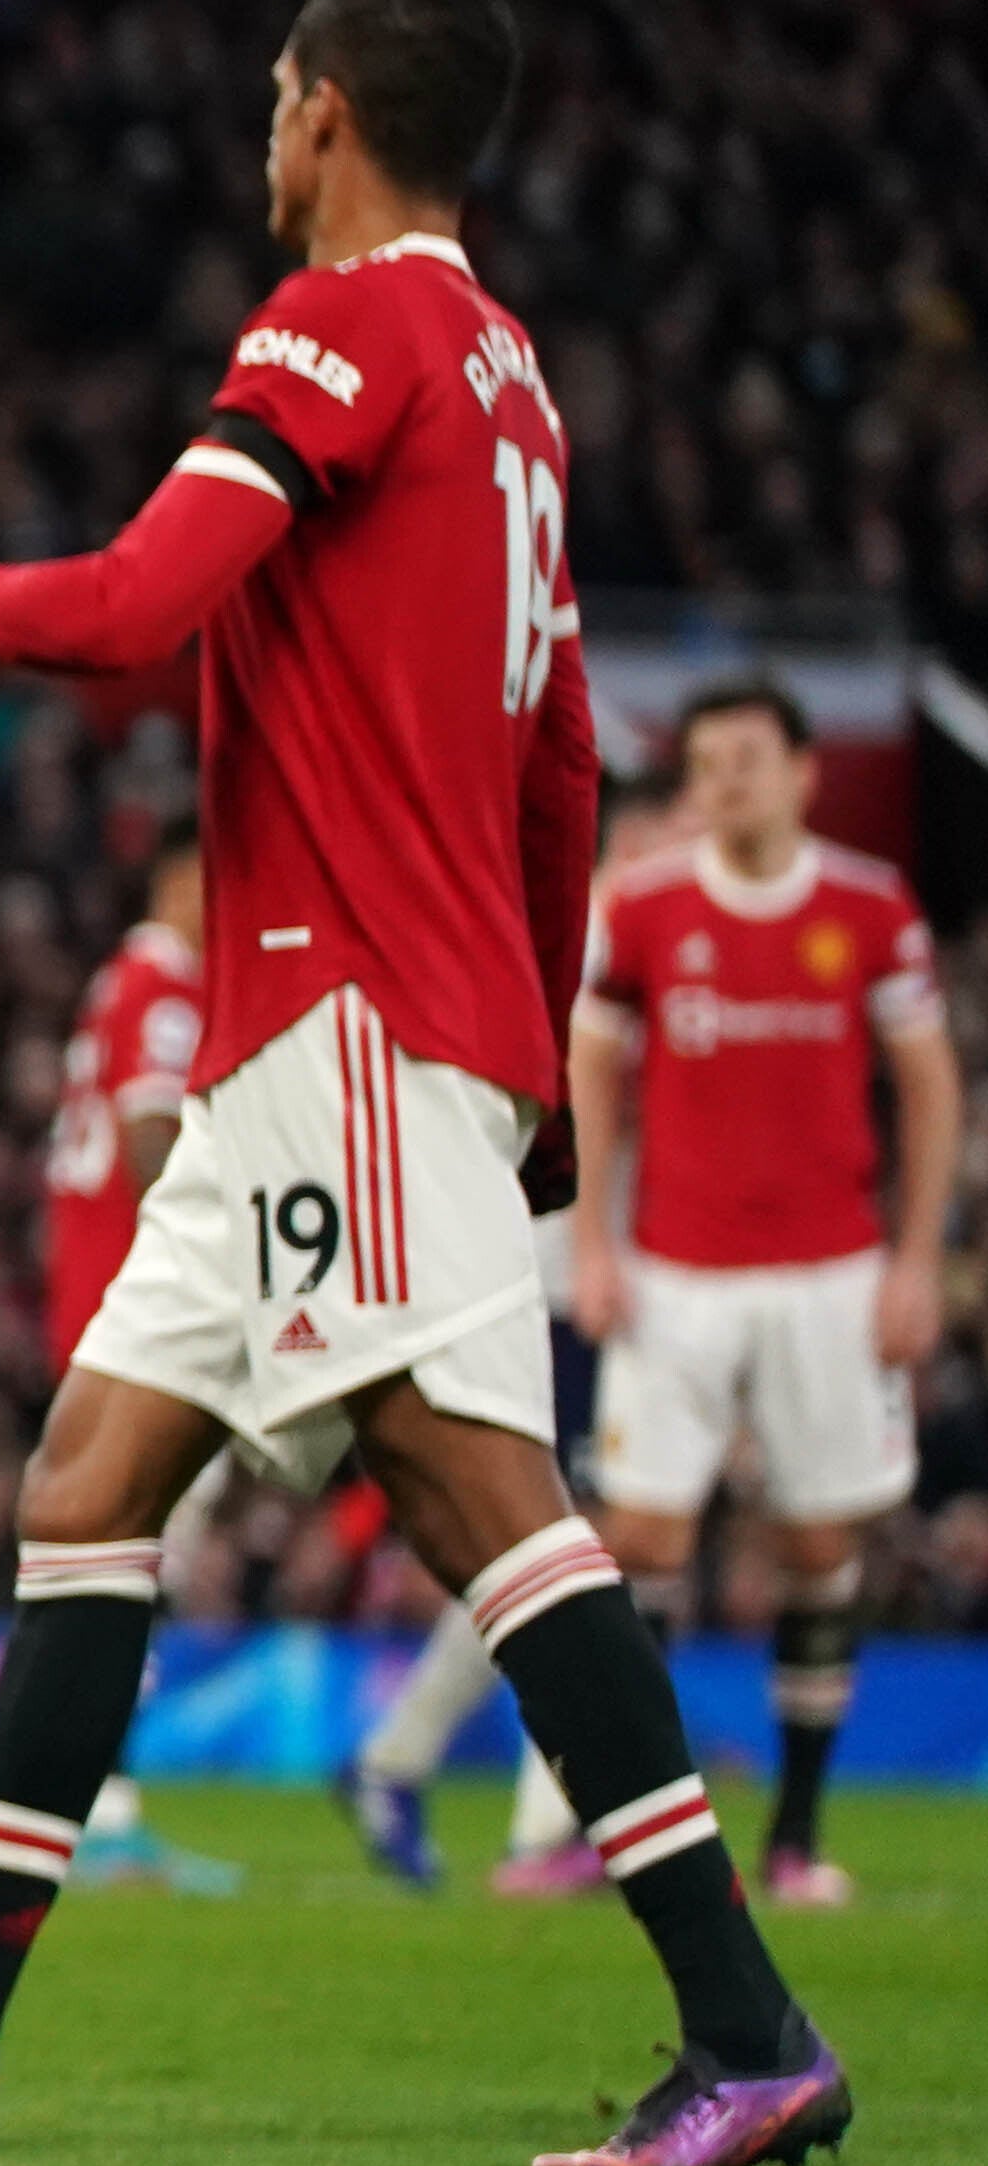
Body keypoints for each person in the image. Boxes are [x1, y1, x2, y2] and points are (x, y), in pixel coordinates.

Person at [0, 0, 848, 2166]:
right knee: (89, 1478)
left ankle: (749, 2025)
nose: (263, 129)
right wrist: (522, 1062)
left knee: (468, 1488)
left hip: (345, 1008)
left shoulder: (342, 326)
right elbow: (565, 753)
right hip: (363, 1032)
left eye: (271, 94)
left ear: (325, 109)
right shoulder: (512, 375)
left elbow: (142, 600)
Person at [546, 677, 954, 1903]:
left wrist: (918, 1255)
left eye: (746, 759)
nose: (723, 780)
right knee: (646, 1536)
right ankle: (639, 1824)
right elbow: (596, 1072)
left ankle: (794, 1835)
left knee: (819, 1541)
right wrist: (596, 1246)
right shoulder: (648, 910)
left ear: (803, 773)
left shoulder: (870, 909)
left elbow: (928, 1083)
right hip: (676, 1269)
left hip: (832, 1271)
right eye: (707, 761)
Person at [340, 781, 685, 1893]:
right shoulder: (580, 947)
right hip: (556, 1281)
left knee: (571, 1537)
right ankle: (545, 1826)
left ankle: (412, 1762)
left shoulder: (635, 947)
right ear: (631, 839)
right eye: (673, 837)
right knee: (575, 1538)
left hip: (613, 1280)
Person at [34, 822, 234, 1894]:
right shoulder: (165, 980)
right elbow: (152, 1134)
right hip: (144, 1307)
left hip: (97, 1296)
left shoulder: (125, 976)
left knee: (114, 1551)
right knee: (128, 1556)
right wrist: (219, 1253)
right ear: (175, 879)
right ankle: (96, 1804)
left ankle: (62, 1786)